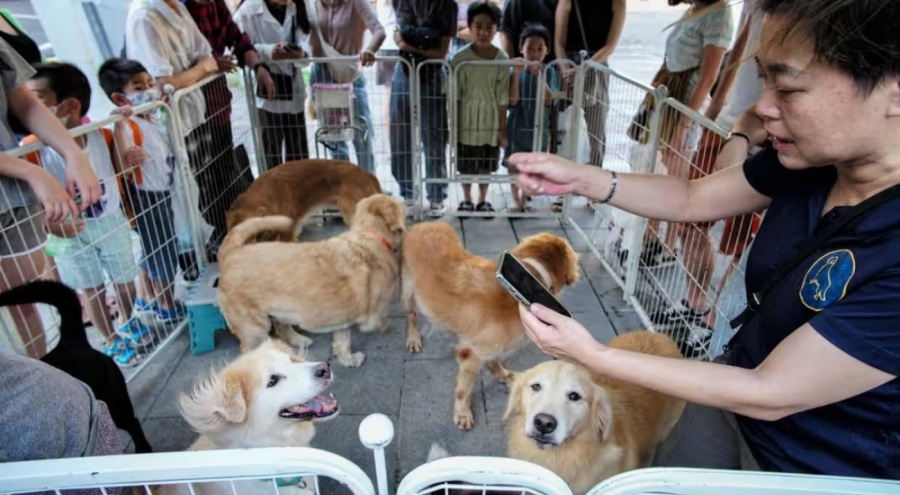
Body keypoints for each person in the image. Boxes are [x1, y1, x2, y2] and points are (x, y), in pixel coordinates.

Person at [509, 0, 900, 478]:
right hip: (723, 393)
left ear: (894, 91)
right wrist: (580, 178)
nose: (763, 107)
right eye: (763, 80)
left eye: (790, 87)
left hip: (808, 467)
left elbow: (770, 392)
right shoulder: (810, 161)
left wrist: (593, 356)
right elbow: (692, 197)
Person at [651, 0, 764, 348]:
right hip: (731, 123)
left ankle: (716, 320)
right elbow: (736, 57)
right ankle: (695, 302)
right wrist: (712, 119)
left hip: (768, 134)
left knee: (746, 242)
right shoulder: (752, 6)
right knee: (691, 221)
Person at [24, 63, 151, 367]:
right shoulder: (31, 150)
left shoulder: (101, 135)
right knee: (91, 288)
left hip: (110, 221)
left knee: (125, 282)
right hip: (69, 232)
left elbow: (120, 168)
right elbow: (30, 200)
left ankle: (126, 319)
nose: (26, 107)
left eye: (36, 99)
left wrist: (130, 150)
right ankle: (109, 340)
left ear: (69, 106)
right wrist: (49, 226)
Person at [0, 38, 100, 359]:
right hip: (17, 184)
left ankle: (39, 387)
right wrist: (35, 174)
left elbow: (23, 100)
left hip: (12, 199)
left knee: (23, 304)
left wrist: (73, 153)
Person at [184, 0, 275, 256]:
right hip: (192, 116)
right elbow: (179, 68)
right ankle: (220, 237)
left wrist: (258, 67)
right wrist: (210, 64)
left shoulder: (215, 6)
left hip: (219, 106)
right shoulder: (176, 11)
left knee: (225, 171)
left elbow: (238, 38)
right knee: (206, 181)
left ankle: (236, 234)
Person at [98, 58, 184, 323]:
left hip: (161, 192)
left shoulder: (150, 117)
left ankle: (149, 297)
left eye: (149, 83)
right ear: (119, 97)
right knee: (163, 251)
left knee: (154, 248)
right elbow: (123, 162)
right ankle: (167, 304)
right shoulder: (128, 124)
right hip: (147, 197)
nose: (149, 89)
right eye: (138, 87)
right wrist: (119, 126)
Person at [549, 0, 623, 212]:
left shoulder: (617, 2)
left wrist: (585, 68)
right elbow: (560, 42)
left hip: (596, 68)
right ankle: (562, 190)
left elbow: (610, 45)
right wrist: (566, 68)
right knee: (564, 133)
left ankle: (594, 187)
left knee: (596, 132)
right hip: (568, 69)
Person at [389, 0, 458, 214]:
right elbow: (399, 31)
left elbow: (441, 52)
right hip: (404, 69)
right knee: (399, 134)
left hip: (433, 73)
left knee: (434, 136)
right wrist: (420, 42)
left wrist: (406, 45)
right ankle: (407, 192)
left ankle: (437, 195)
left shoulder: (447, 6)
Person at [306, 0, 385, 173]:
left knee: (361, 133)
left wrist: (370, 50)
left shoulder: (356, 3)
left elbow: (379, 31)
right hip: (321, 74)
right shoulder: (311, 4)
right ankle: (344, 186)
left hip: (349, 73)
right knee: (333, 136)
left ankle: (368, 184)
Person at [233, 0, 313, 172]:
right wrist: (268, 51)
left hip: (294, 92)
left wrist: (300, 54)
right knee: (271, 159)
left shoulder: (295, 7)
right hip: (267, 94)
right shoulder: (249, 10)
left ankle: (298, 198)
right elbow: (237, 47)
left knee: (298, 161)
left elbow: (308, 45)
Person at [451, 1, 509, 214]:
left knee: (487, 163)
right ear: (470, 26)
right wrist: (452, 127)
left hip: (491, 119)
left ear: (496, 29)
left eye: (489, 27)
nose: (484, 32)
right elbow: (454, 97)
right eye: (479, 26)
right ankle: (466, 199)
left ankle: (483, 199)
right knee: (466, 163)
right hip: (466, 119)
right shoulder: (459, 59)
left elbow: (503, 98)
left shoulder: (502, 60)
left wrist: (502, 129)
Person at [505, 23, 557, 212]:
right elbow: (513, 100)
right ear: (521, 49)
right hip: (518, 123)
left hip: (539, 125)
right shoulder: (514, 70)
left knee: (533, 164)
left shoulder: (548, 70)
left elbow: (550, 100)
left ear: (546, 51)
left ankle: (526, 197)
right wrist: (517, 74)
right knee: (514, 162)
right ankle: (515, 199)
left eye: (539, 49)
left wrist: (540, 77)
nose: (534, 53)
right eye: (529, 48)